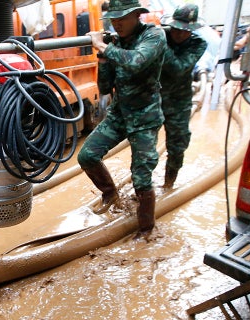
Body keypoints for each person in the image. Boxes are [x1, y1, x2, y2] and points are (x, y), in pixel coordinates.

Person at [78, 0, 166, 239]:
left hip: (145, 116)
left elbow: (137, 62)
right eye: (114, 19)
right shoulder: (115, 43)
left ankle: (146, 229)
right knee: (87, 156)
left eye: (122, 18)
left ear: (137, 15)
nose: (117, 24)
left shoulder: (153, 35)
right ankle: (110, 194)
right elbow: (105, 87)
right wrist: (102, 56)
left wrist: (104, 47)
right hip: (119, 114)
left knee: (141, 176)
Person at [159, 4, 207, 189]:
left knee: (178, 146)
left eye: (185, 31)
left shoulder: (198, 44)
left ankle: (168, 185)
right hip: (152, 99)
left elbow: (179, 68)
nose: (179, 34)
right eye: (176, 29)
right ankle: (143, 188)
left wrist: (161, 44)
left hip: (179, 102)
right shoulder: (161, 35)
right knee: (143, 147)